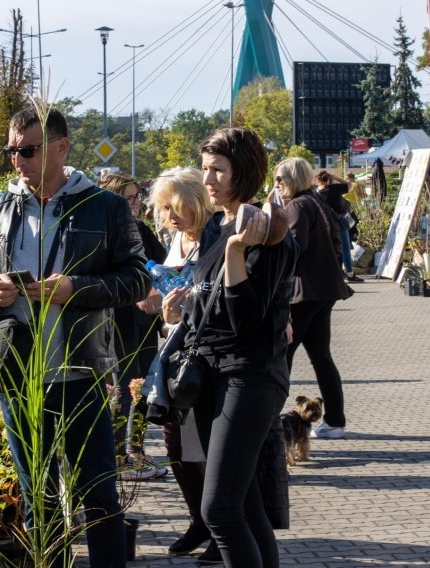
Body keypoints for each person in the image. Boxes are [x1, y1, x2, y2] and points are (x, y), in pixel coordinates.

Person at [0, 107, 150, 568]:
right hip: (18, 371)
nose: (16, 160)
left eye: (27, 150)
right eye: (11, 151)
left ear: (61, 148)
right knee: (36, 494)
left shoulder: (102, 207)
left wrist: (75, 290)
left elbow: (138, 280)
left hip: (80, 368)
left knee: (97, 491)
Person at [169, 127, 295, 567]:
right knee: (244, 506)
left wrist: (238, 252)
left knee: (218, 508)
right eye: (205, 169)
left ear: (243, 171)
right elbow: (211, 300)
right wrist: (182, 307)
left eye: (218, 170)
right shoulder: (214, 228)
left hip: (250, 374)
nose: (207, 180)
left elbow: (248, 320)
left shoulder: (267, 230)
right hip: (209, 372)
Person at [145, 166, 222, 562]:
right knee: (174, 443)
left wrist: (182, 308)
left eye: (174, 207)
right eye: (163, 208)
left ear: (195, 201)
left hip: (208, 357)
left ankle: (218, 528)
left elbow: (217, 297)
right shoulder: (177, 239)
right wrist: (162, 311)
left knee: (206, 448)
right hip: (176, 354)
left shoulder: (217, 237)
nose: (169, 216)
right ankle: (199, 520)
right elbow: (169, 301)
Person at [276, 158, 354, 441]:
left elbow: (294, 248)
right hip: (325, 289)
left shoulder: (297, 205)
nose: (276, 186)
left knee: (281, 355)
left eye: (279, 180)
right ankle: (335, 419)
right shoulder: (316, 202)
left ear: (292, 179)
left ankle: (271, 419)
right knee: (321, 356)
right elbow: (334, 240)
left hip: (305, 292)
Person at [98, 171, 167, 480]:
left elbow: (163, 264)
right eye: (128, 198)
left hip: (147, 320)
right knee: (122, 387)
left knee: (143, 386)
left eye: (138, 196)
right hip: (119, 319)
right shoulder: (106, 233)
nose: (136, 204)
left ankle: (135, 450)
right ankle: (116, 455)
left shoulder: (143, 230)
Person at [316, 170, 362, 283]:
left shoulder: (315, 193)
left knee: (330, 248)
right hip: (339, 223)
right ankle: (349, 274)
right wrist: (335, 177)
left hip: (325, 223)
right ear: (329, 179)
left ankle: (333, 273)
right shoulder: (334, 189)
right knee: (345, 248)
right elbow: (349, 185)